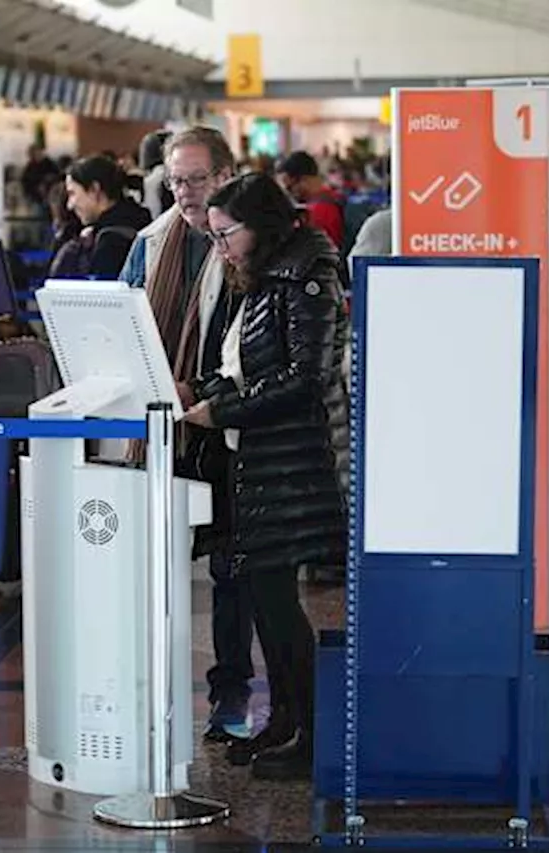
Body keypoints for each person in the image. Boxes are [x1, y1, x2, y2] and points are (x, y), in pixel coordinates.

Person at [181, 173, 347, 780]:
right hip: (258, 461)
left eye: (227, 234)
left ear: (263, 226)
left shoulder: (306, 276)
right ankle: (284, 722)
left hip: (293, 466)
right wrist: (204, 392)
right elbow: (246, 366)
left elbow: (306, 378)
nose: (220, 247)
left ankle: (310, 737)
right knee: (264, 599)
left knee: (279, 606)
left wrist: (220, 410)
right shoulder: (260, 276)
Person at [121, 127, 254, 743]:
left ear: (227, 175)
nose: (185, 193)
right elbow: (126, 318)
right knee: (160, 566)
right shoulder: (150, 245)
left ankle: (230, 695)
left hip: (226, 428)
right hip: (165, 425)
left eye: (197, 180)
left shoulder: (251, 245)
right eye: (175, 181)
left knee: (233, 568)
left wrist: (205, 391)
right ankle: (156, 689)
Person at [51, 155, 151, 279]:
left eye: (72, 193)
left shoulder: (109, 243)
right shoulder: (145, 223)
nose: (69, 205)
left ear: (94, 189)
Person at [276, 151, 344, 251]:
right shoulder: (335, 197)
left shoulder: (319, 211)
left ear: (304, 180)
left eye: (289, 188)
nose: (289, 194)